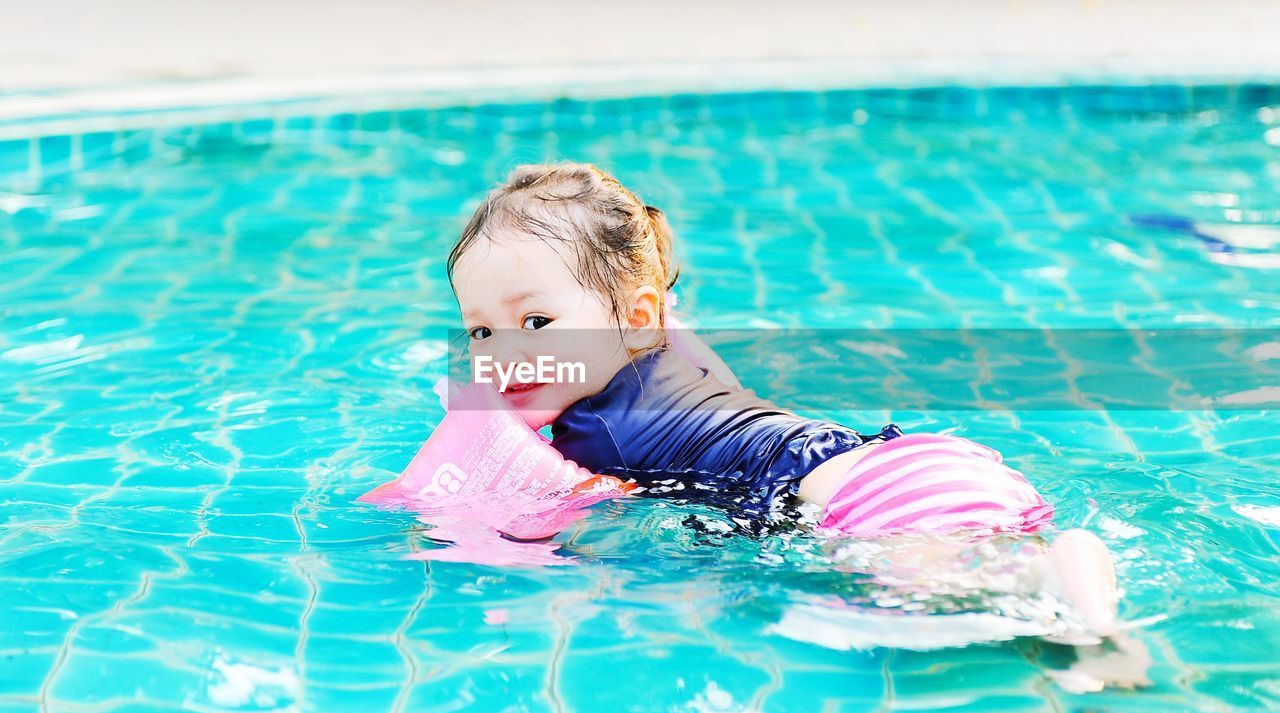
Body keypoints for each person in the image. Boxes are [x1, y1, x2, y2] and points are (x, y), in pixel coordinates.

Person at [445, 161, 1124, 642]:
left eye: (535, 324)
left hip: (868, 505)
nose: (504, 352)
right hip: (908, 460)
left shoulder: (593, 434)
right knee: (1009, 580)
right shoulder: (669, 350)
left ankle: (1055, 594)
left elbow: (547, 531)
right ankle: (1075, 584)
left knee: (923, 614)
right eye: (480, 330)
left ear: (636, 317)